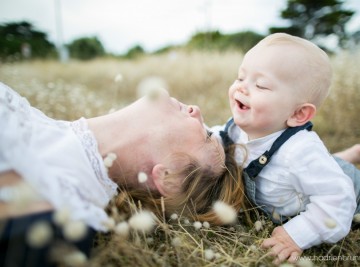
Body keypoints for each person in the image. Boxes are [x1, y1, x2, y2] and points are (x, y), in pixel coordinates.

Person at [0, 82, 244, 266]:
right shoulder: (33, 120)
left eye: (206, 134)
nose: (196, 110)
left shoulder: (58, 213)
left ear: (169, 177)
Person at [210, 33, 360, 264]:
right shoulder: (234, 131)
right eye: (240, 78)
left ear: (298, 114)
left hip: (357, 195)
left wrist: (297, 234)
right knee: (312, 172)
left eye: (260, 85)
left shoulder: (300, 152)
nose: (242, 88)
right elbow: (210, 138)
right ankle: (347, 156)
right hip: (311, 176)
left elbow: (338, 198)